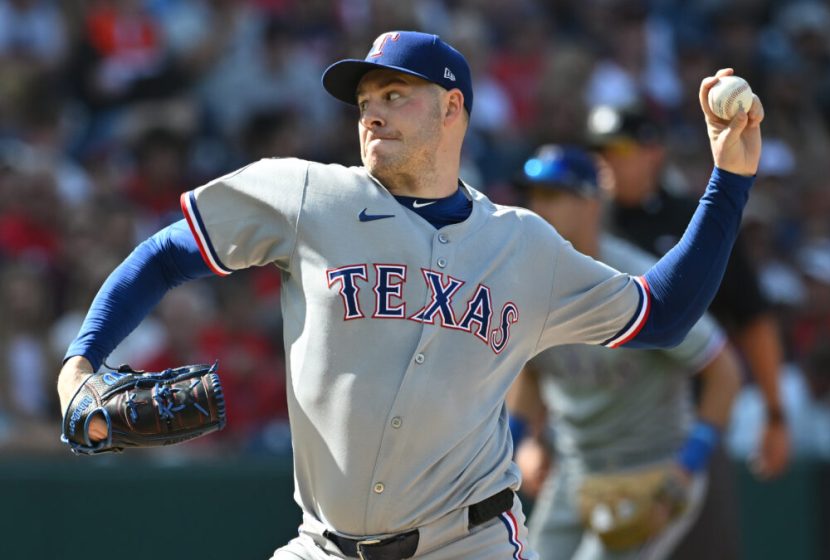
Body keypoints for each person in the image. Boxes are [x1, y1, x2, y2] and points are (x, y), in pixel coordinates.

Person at [57, 31, 763, 560]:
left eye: (396, 96)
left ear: (452, 107)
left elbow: (665, 314)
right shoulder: (309, 196)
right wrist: (82, 360)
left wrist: (728, 178)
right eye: (366, 101)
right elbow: (166, 254)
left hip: (468, 542)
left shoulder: (525, 247)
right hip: (323, 547)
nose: (373, 114)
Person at [506, 145, 743, 559]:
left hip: (651, 466)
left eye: (554, 195)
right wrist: (523, 443)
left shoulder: (632, 281)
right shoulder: (530, 283)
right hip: (576, 468)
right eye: (535, 196)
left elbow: (722, 369)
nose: (539, 207)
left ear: (592, 203)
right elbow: (531, 370)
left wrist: (688, 464)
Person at [586, 102, 788, 559]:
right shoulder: (587, 227)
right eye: (598, 151)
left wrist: (775, 414)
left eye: (618, 149)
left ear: (652, 151)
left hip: (691, 431)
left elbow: (753, 317)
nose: (607, 161)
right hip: (601, 437)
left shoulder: (693, 219)